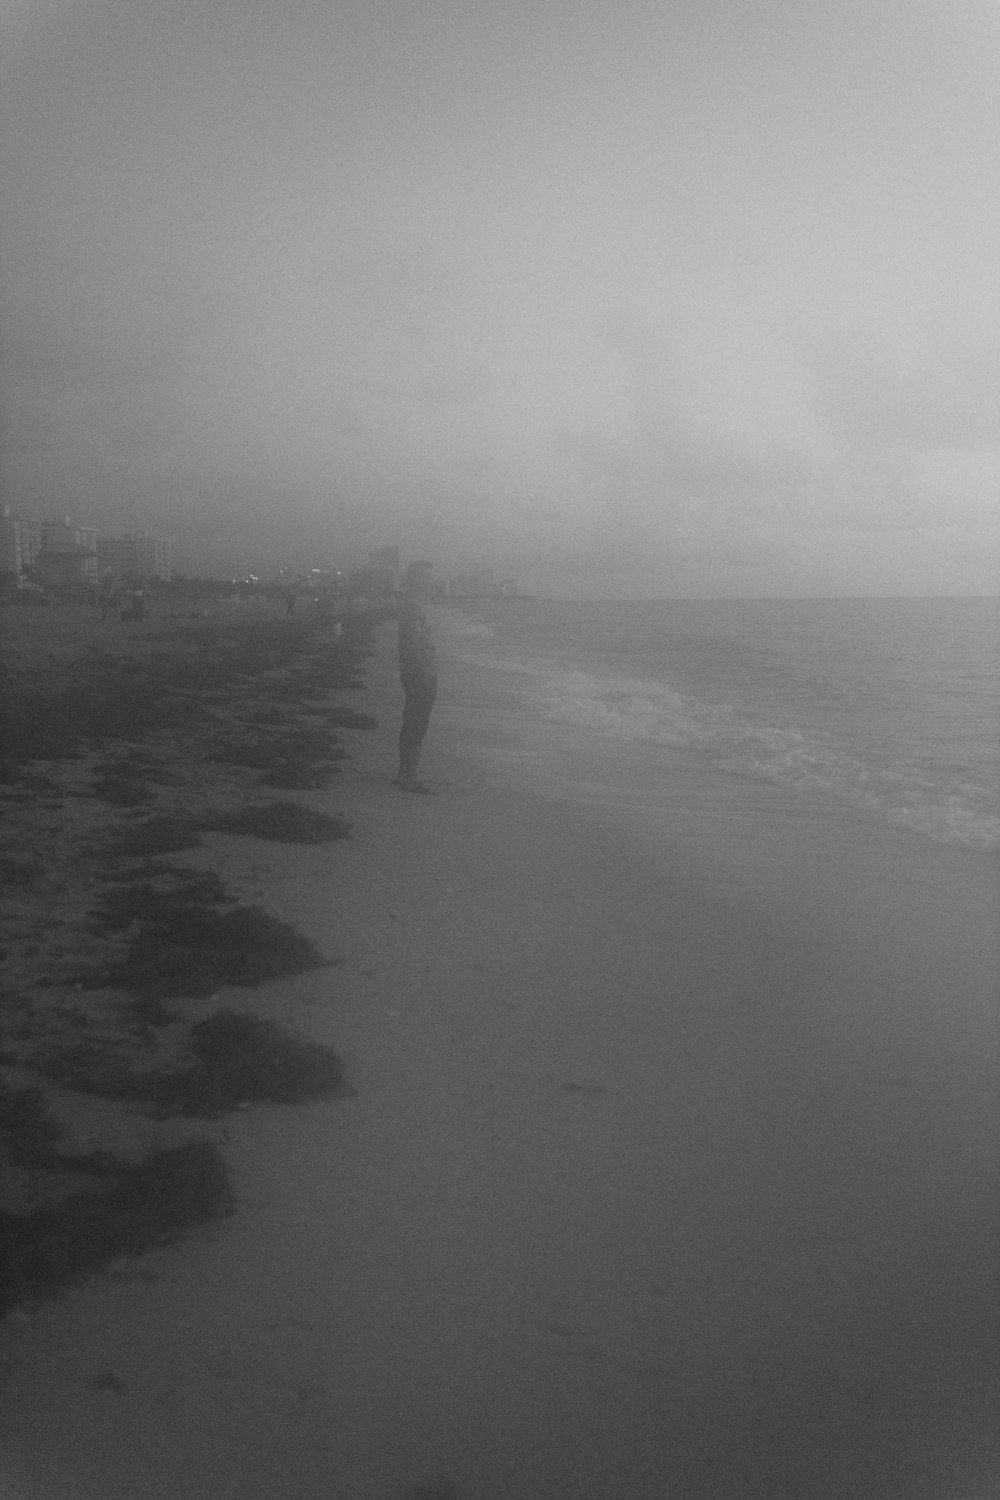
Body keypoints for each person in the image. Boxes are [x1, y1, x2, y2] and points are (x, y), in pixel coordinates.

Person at [395, 561, 437, 792]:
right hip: (419, 675)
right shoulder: (412, 607)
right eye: (429, 577)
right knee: (417, 724)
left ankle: (404, 774)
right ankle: (410, 777)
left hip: (415, 673)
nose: (432, 581)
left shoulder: (411, 605)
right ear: (418, 579)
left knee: (411, 722)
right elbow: (412, 643)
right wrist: (424, 673)